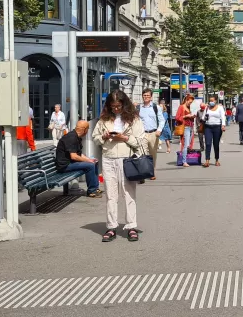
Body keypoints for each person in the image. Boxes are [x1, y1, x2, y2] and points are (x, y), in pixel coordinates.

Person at [93, 90, 147, 243]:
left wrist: (124, 137)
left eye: (118, 106)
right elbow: (95, 138)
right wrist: (103, 137)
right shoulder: (104, 119)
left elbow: (140, 141)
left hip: (126, 159)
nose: (116, 109)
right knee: (111, 195)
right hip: (108, 158)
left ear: (124, 105)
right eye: (113, 106)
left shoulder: (134, 119)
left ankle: (131, 226)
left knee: (128, 194)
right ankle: (111, 226)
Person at [55, 120, 102, 198]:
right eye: (88, 129)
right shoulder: (71, 138)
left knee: (94, 162)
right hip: (64, 166)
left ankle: (95, 188)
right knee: (90, 166)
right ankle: (92, 191)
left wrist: (90, 160)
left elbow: (79, 154)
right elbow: (74, 156)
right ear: (84, 129)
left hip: (70, 163)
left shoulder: (76, 137)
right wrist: (88, 161)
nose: (87, 131)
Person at [138, 90, 164, 180]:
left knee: (152, 154)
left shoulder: (155, 107)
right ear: (142, 96)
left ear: (151, 97)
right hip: (142, 134)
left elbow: (162, 120)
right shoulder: (138, 108)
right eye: (144, 95)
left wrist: (159, 130)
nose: (146, 97)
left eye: (148, 96)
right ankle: (143, 172)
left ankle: (152, 171)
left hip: (153, 133)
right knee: (142, 153)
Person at [202, 96, 226, 167]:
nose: (211, 102)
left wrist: (223, 125)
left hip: (217, 127)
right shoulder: (207, 108)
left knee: (216, 144)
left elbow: (223, 117)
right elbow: (203, 117)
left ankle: (217, 160)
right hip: (208, 127)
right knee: (208, 144)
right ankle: (207, 161)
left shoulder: (220, 108)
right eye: (210, 101)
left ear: (215, 101)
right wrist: (205, 117)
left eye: (212, 100)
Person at [174, 94, 196, 166]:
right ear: (186, 100)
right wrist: (186, 116)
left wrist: (192, 116)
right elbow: (177, 117)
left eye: (191, 102)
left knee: (189, 144)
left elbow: (190, 118)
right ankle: (184, 161)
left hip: (190, 127)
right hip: (185, 127)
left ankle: (185, 159)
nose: (190, 103)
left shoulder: (189, 107)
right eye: (190, 102)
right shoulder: (181, 107)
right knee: (185, 144)